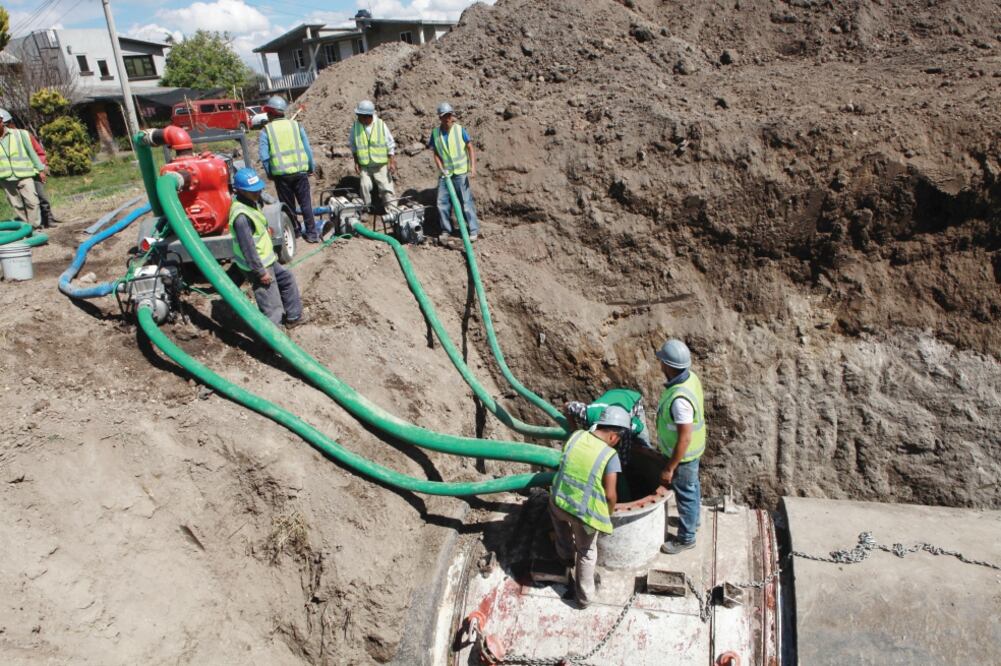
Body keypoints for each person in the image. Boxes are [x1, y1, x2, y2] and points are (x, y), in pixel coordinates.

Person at [549, 405, 630, 608]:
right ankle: (584, 597)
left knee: (561, 527)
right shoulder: (609, 455)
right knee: (586, 552)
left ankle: (565, 557)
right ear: (613, 437)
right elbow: (610, 495)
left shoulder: (576, 436)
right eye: (618, 440)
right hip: (582, 515)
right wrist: (606, 516)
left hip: (558, 501)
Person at [229, 167, 306, 328]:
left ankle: (294, 317)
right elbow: (248, 249)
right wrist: (261, 272)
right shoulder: (241, 217)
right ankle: (275, 337)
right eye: (253, 191)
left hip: (267, 260)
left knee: (286, 279)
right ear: (241, 191)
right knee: (272, 305)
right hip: (258, 265)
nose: (258, 193)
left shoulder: (251, 202)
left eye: (258, 189)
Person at [654, 339, 706, 555]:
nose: (660, 365)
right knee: (691, 488)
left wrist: (669, 467)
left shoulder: (679, 400)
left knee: (685, 494)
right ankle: (693, 520)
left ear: (667, 366)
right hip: (693, 450)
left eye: (661, 362)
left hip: (683, 456)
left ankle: (686, 538)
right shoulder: (690, 378)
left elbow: (684, 438)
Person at [258, 96, 319, 243]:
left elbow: (264, 157)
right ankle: (312, 234)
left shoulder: (266, 131)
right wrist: (311, 167)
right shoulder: (296, 126)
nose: (267, 115)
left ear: (271, 113)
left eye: (268, 113)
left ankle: (295, 232)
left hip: (281, 176)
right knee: (306, 204)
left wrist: (270, 173)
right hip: (300, 172)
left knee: (289, 206)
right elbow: (307, 149)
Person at [428, 102, 479, 246]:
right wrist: (440, 168)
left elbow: (470, 147)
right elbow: (435, 153)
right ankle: (446, 230)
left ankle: (473, 230)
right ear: (440, 118)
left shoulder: (459, 130)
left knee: (466, 202)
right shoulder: (435, 133)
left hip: (460, 173)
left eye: (449, 115)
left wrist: (472, 167)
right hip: (445, 174)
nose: (447, 118)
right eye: (444, 116)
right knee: (442, 203)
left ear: (452, 116)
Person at [565, 388, 651, 467]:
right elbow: (567, 405)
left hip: (632, 399)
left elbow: (622, 462)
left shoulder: (626, 430)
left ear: (613, 438)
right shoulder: (587, 414)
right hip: (612, 395)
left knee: (643, 442)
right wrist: (573, 430)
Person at [4, 115, 57, 227]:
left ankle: (47, 218)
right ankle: (28, 225)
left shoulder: (23, 135)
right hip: (11, 176)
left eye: (8, 123)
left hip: (31, 171)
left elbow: (37, 152)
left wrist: (40, 169)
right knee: (19, 203)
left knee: (38, 198)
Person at [0, 108, 45, 229]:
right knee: (17, 205)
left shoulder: (20, 134)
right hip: (5, 178)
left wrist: (40, 170)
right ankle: (26, 228)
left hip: (25, 174)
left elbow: (32, 153)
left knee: (32, 202)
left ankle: (35, 227)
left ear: (2, 121)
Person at [349, 100, 397, 208]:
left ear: (368, 116)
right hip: (365, 166)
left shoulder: (380, 125)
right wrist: (356, 162)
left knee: (386, 189)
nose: (358, 117)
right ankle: (366, 209)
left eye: (360, 115)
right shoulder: (356, 127)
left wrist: (391, 162)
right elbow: (353, 146)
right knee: (364, 186)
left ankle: (393, 212)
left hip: (381, 165)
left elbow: (390, 144)